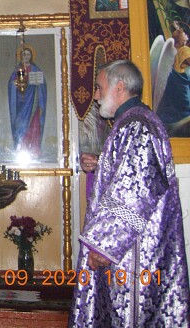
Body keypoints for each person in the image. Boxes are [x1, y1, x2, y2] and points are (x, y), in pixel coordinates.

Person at [69, 60, 190, 327]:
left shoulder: (137, 126)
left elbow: (134, 193)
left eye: (99, 88)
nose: (96, 96)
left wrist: (104, 245)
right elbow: (135, 174)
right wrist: (102, 164)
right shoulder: (135, 122)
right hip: (131, 244)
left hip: (132, 252)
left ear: (119, 87)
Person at [8, 46, 47, 158]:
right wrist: (15, 84)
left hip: (33, 102)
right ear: (21, 56)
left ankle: (33, 150)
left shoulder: (36, 70)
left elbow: (42, 86)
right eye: (24, 54)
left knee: (34, 125)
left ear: (31, 56)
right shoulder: (17, 71)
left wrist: (38, 83)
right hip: (21, 103)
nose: (26, 56)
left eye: (28, 54)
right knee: (20, 124)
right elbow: (11, 86)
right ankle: (21, 148)